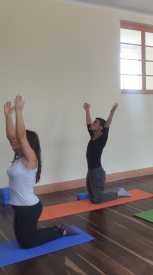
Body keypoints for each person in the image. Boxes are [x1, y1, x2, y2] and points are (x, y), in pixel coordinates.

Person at [4, 96, 79, 249]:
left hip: (29, 208)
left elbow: (20, 137)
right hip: (20, 207)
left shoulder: (30, 160)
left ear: (27, 144)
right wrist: (7, 116)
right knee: (22, 240)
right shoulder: (19, 158)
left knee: (26, 243)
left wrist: (19, 112)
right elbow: (12, 136)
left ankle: (62, 231)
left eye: (19, 140)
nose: (14, 141)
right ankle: (55, 228)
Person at [83, 102, 131, 204]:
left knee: (97, 200)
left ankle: (119, 193)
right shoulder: (92, 135)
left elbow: (107, 127)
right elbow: (88, 123)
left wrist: (112, 113)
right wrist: (87, 110)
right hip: (90, 172)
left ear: (100, 128)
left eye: (95, 123)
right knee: (92, 198)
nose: (92, 123)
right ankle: (102, 194)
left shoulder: (101, 139)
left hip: (97, 173)